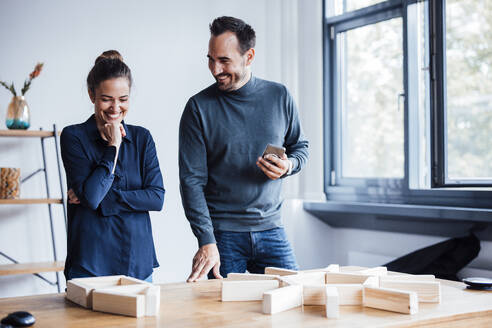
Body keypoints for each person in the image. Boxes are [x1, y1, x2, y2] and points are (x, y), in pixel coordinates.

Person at [179, 16, 309, 282]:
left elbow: (300, 147)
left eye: (224, 60)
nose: (215, 69)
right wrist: (206, 240)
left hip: (272, 229)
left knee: (295, 302)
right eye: (210, 59)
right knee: (225, 320)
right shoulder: (198, 108)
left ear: (248, 57)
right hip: (223, 236)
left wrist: (288, 166)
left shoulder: (279, 96)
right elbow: (191, 181)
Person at [61, 50, 165, 282]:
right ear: (92, 95)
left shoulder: (142, 138)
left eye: (123, 99)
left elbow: (156, 198)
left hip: (138, 261)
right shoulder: (73, 136)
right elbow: (91, 197)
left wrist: (103, 199)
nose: (115, 108)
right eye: (106, 98)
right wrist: (113, 146)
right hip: (90, 263)